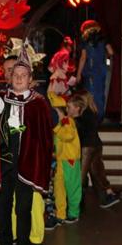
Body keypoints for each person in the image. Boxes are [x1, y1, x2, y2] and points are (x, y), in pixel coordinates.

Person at [0, 44, 53, 245]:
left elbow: (45, 137)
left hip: (27, 164)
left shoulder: (38, 104)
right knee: (4, 208)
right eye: (15, 74)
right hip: (4, 163)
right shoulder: (1, 99)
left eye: (23, 75)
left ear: (30, 79)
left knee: (24, 209)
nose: (18, 78)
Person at [67, 93, 121, 208]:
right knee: (97, 172)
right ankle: (107, 196)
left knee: (80, 174)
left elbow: (81, 131)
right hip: (96, 145)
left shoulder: (84, 115)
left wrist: (72, 119)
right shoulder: (91, 112)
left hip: (87, 147)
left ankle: (75, 203)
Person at [45, 92, 82, 230]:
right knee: (59, 190)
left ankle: (73, 213)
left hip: (70, 161)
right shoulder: (61, 123)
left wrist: (57, 127)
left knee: (72, 188)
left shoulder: (67, 121)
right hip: (60, 161)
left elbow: (68, 136)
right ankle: (60, 214)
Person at [77, 20, 114, 122]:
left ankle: (92, 117)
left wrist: (78, 74)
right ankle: (99, 116)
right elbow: (111, 52)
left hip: (90, 71)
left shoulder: (85, 40)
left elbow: (83, 58)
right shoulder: (103, 39)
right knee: (100, 94)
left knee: (90, 95)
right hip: (101, 71)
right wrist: (104, 57)